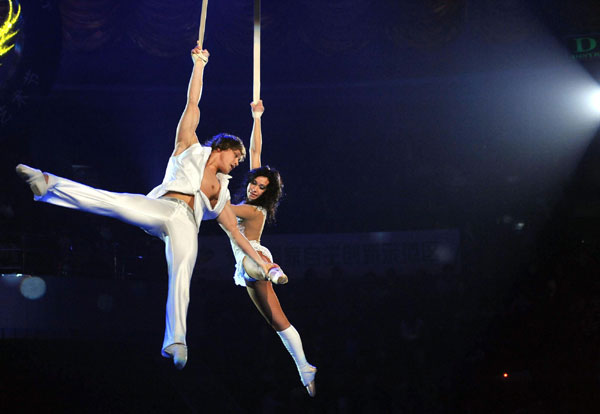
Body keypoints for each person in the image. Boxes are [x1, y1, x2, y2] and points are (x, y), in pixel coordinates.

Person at [15, 45, 283, 370]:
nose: (238, 164)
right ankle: (47, 185)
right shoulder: (188, 145)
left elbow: (236, 231)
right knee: (113, 202)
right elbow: (193, 102)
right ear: (222, 148)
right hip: (162, 208)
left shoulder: (221, 189)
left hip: (184, 224)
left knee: (182, 272)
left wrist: (264, 264)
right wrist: (199, 65)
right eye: (235, 157)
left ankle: (176, 340)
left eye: (240, 161)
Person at [229, 100, 317, 397]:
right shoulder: (251, 202)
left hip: (254, 257)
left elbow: (221, 209)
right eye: (254, 183)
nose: (254, 188)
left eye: (261, 186)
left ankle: (273, 269)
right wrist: (257, 117)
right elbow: (255, 151)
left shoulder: (252, 210)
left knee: (253, 267)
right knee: (276, 321)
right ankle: (305, 367)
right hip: (248, 263)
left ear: (268, 192)